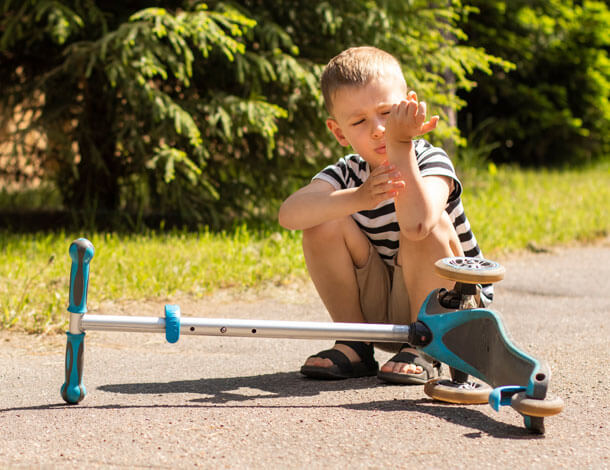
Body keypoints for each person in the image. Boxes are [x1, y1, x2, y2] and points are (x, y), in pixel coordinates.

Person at [278, 46, 491, 384]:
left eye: (387, 113)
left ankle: (427, 346)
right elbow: (289, 214)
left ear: (409, 107)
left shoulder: (430, 161)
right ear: (339, 133)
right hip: (383, 312)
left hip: (451, 310)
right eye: (360, 121)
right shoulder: (348, 173)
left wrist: (401, 146)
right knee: (321, 218)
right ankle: (354, 341)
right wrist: (358, 197)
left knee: (430, 224)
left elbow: (418, 223)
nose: (378, 129)